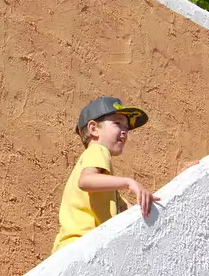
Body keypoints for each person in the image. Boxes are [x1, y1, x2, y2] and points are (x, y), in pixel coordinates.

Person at [52, 96, 153, 253]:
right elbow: (85, 181)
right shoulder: (98, 150)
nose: (124, 131)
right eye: (117, 123)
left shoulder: (106, 184)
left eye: (126, 127)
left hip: (73, 248)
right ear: (93, 129)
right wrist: (130, 183)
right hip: (79, 245)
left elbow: (127, 209)